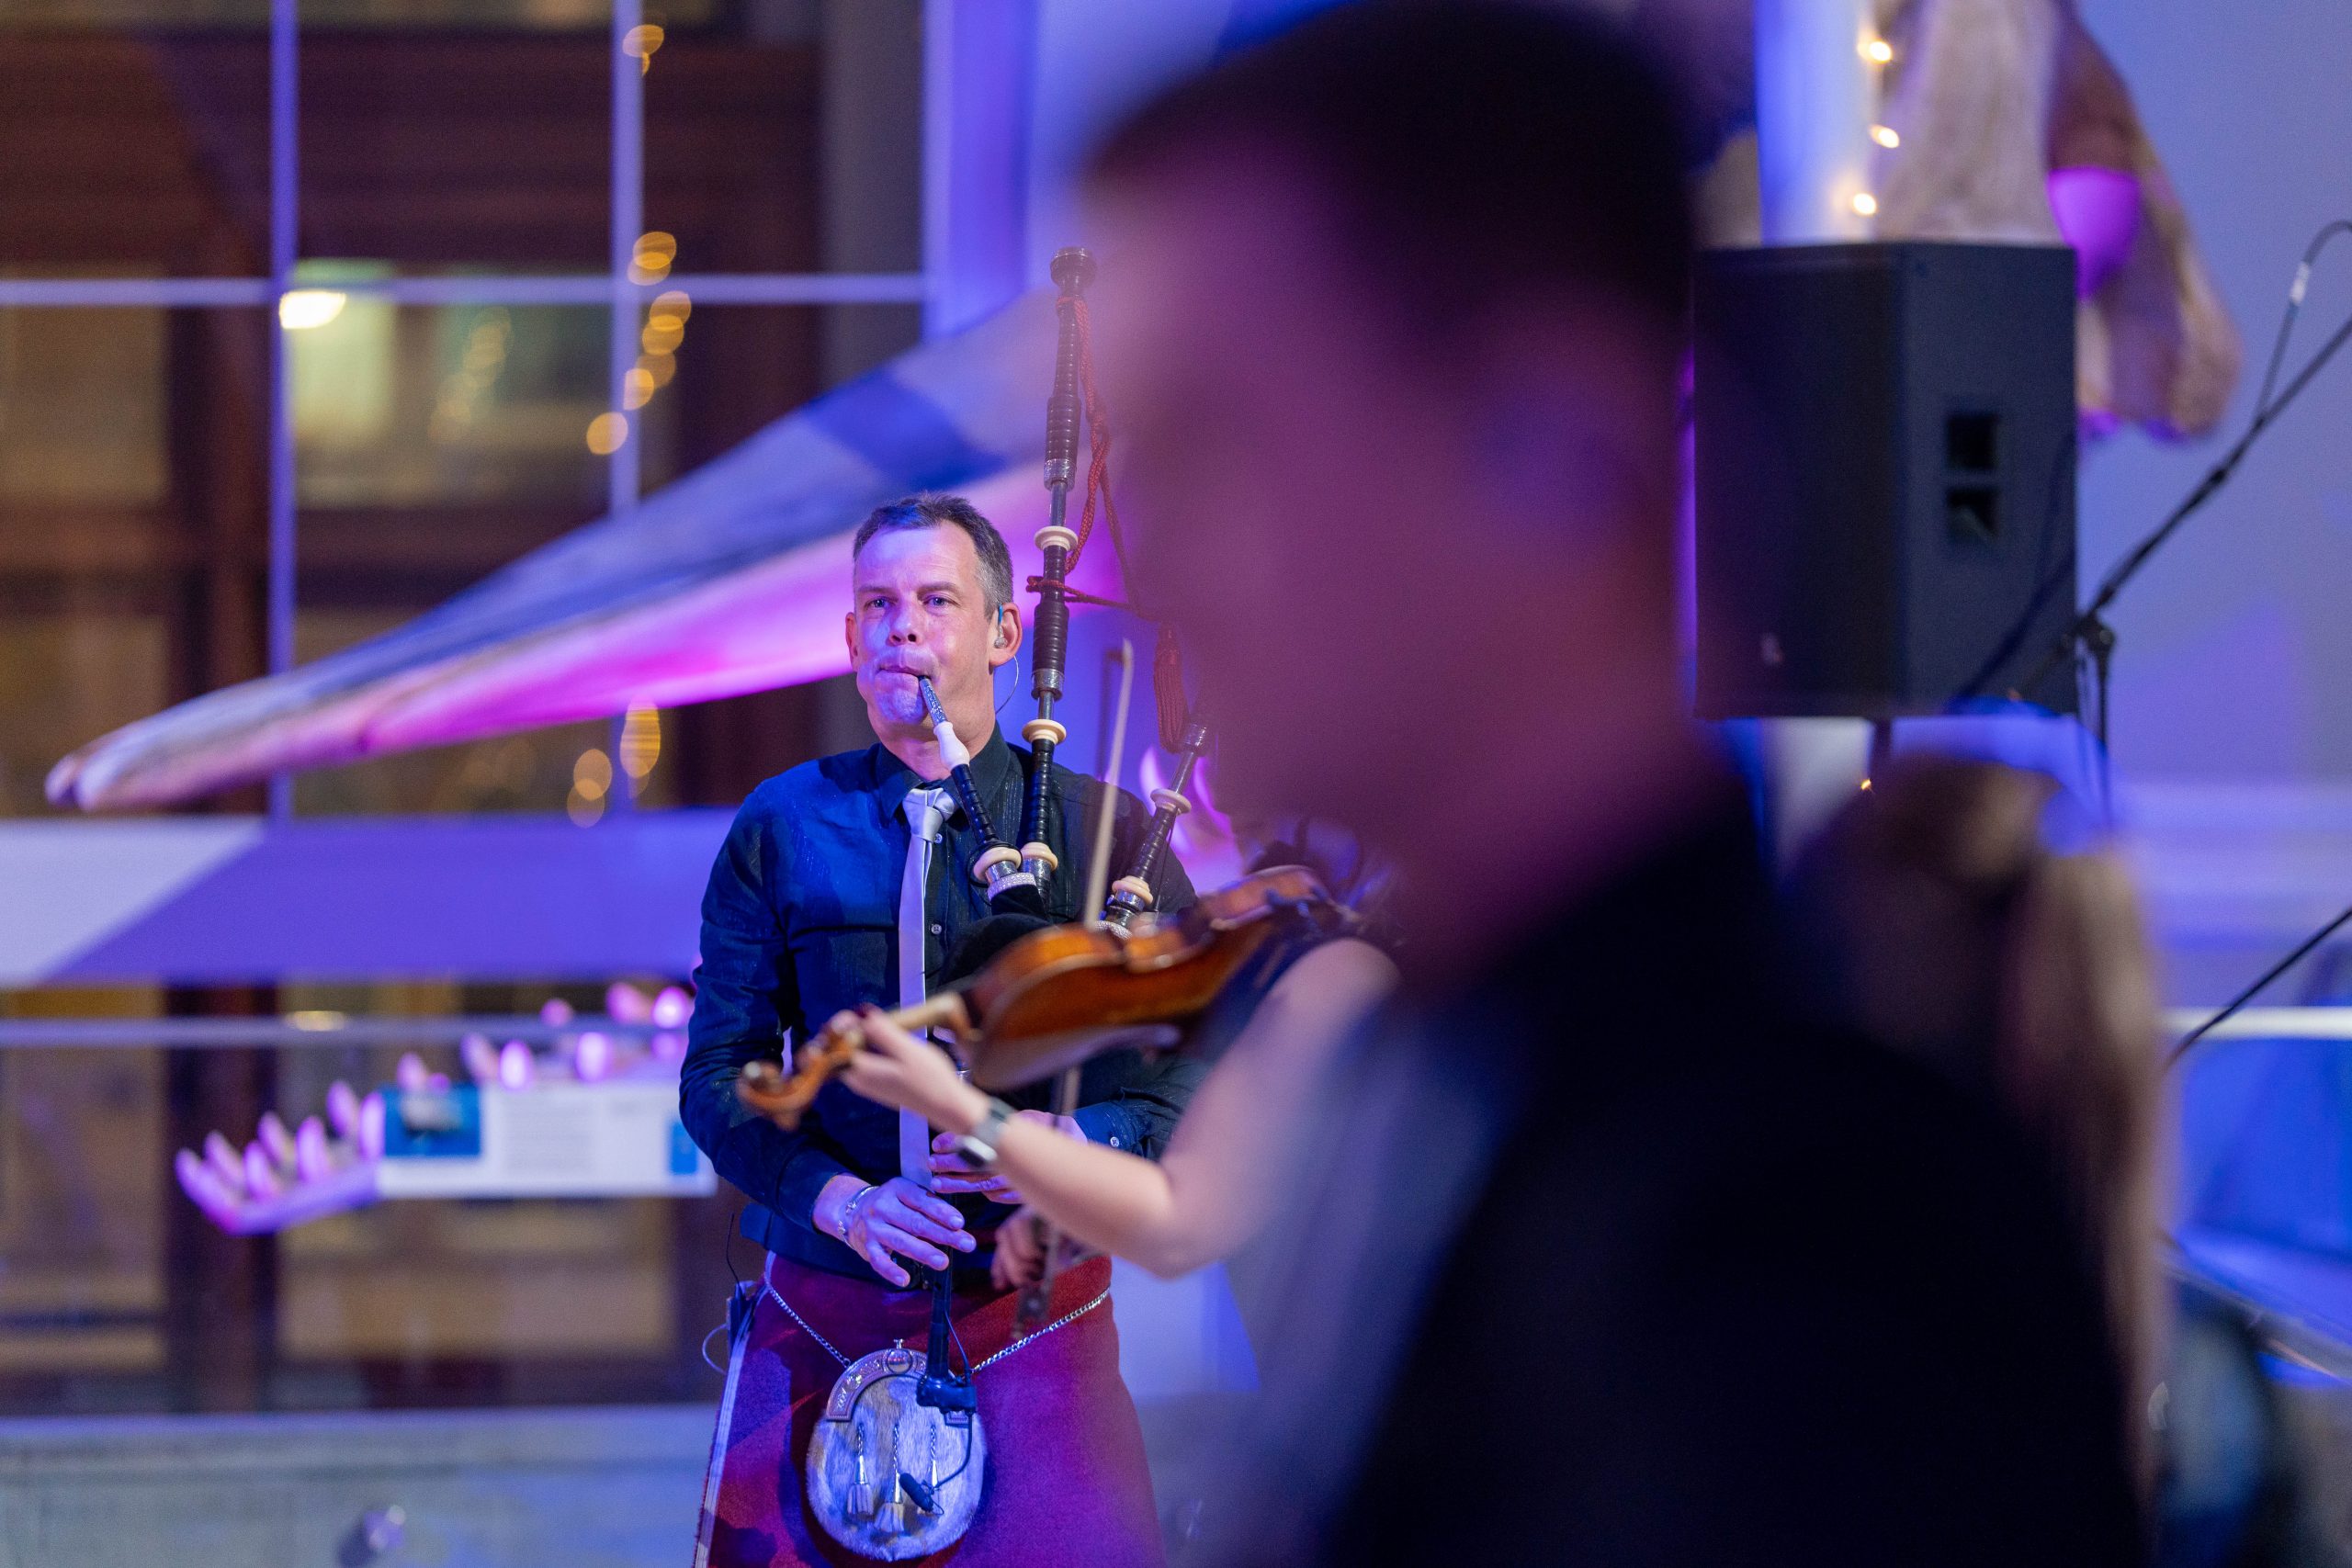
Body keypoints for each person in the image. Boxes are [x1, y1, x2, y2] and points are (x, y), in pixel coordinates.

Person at [1078, 6, 2143, 1564]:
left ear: (1555, 447)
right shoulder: (1447, 1079)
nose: (1132, 562)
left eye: (1208, 449)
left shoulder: (1795, 1235)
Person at [681, 493, 1196, 1568]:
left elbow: (1196, 1075)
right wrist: (843, 1200)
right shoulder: (781, 825)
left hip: (1036, 1320)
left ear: (1006, 633)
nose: (900, 626)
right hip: (820, 1308)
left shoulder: (1106, 832)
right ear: (847, 638)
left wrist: (1080, 1144)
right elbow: (720, 1078)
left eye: (934, 600)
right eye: (875, 603)